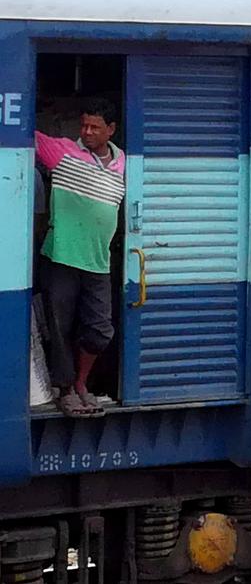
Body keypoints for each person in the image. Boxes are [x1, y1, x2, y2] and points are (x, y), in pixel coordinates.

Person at [35, 98, 125, 417]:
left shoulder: (122, 161)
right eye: (83, 125)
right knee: (60, 328)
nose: (86, 132)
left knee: (100, 329)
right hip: (60, 257)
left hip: (98, 262)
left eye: (94, 127)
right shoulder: (61, 151)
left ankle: (81, 382)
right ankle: (65, 390)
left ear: (110, 130)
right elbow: (19, 132)